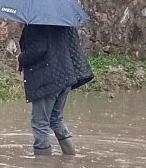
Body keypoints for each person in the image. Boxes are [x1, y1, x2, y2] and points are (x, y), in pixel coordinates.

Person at [18, 24, 94, 156]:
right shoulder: (65, 23)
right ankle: (70, 157)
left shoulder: (36, 25)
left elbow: (37, 49)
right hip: (66, 77)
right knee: (56, 120)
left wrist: (21, 58)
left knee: (40, 124)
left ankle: (41, 167)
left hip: (46, 80)